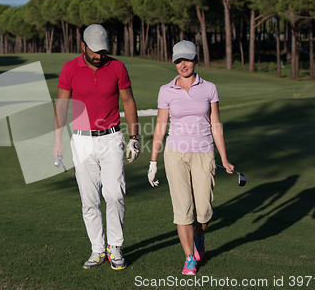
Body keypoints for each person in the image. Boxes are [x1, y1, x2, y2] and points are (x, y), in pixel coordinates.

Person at [53, 24, 140, 270]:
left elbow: (128, 101)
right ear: (83, 46)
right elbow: (61, 106)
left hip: (111, 137)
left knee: (115, 194)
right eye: (95, 51)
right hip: (81, 140)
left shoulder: (117, 67)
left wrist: (134, 137)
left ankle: (115, 248)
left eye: (103, 51)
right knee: (89, 200)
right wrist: (57, 140)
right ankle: (97, 250)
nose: (100, 56)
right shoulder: (70, 69)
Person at [147, 40, 234, 276]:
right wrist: (153, 160)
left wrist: (224, 159)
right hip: (175, 154)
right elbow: (160, 126)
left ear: (196, 59)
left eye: (186, 59)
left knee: (203, 212)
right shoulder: (166, 90)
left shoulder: (209, 88)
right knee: (182, 210)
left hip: (204, 153)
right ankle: (189, 258)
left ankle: (199, 238)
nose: (182, 64)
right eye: (177, 60)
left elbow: (216, 125)